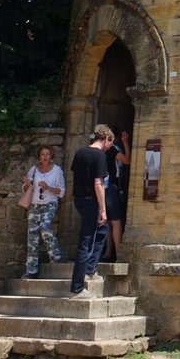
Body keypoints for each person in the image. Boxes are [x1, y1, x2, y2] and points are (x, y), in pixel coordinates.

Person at [69, 124, 114, 295]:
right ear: (106, 139)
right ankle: (77, 288)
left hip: (79, 200)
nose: (110, 147)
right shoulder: (99, 156)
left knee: (102, 230)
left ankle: (90, 269)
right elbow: (98, 183)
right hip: (91, 202)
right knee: (86, 243)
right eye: (111, 143)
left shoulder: (80, 153)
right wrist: (103, 209)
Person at [22, 145, 65, 277]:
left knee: (45, 226)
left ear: (51, 156)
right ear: (39, 157)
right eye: (42, 154)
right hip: (35, 204)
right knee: (32, 236)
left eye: (47, 154)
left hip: (50, 202)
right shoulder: (34, 170)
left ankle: (56, 255)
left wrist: (48, 188)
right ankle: (31, 270)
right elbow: (25, 188)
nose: (45, 157)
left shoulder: (57, 170)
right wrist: (27, 183)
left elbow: (61, 191)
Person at [103, 128, 131, 261]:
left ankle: (108, 253)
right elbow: (126, 161)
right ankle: (119, 254)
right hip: (110, 188)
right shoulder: (112, 149)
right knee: (116, 222)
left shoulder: (95, 149)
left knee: (107, 222)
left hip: (99, 188)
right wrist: (126, 143)